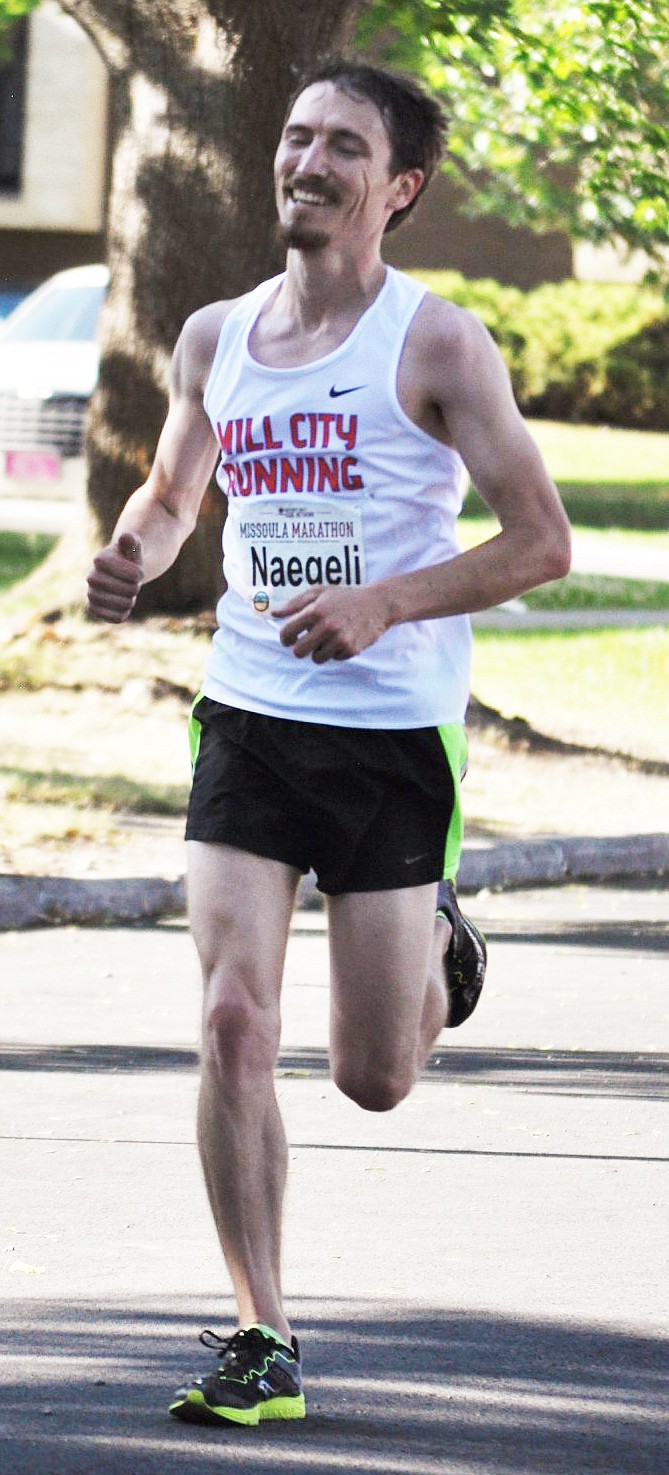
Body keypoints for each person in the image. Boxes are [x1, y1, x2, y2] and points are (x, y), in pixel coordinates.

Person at [87, 59, 571, 1427]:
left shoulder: (435, 344)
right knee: (233, 1017)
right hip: (248, 718)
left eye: (340, 146)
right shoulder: (213, 335)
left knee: (374, 1078)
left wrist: (383, 603)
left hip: (389, 738)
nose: (304, 160)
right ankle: (262, 1334)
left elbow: (542, 542)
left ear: (395, 186)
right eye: (295, 137)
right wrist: (135, 551)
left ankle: (429, 936)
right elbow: (178, 489)